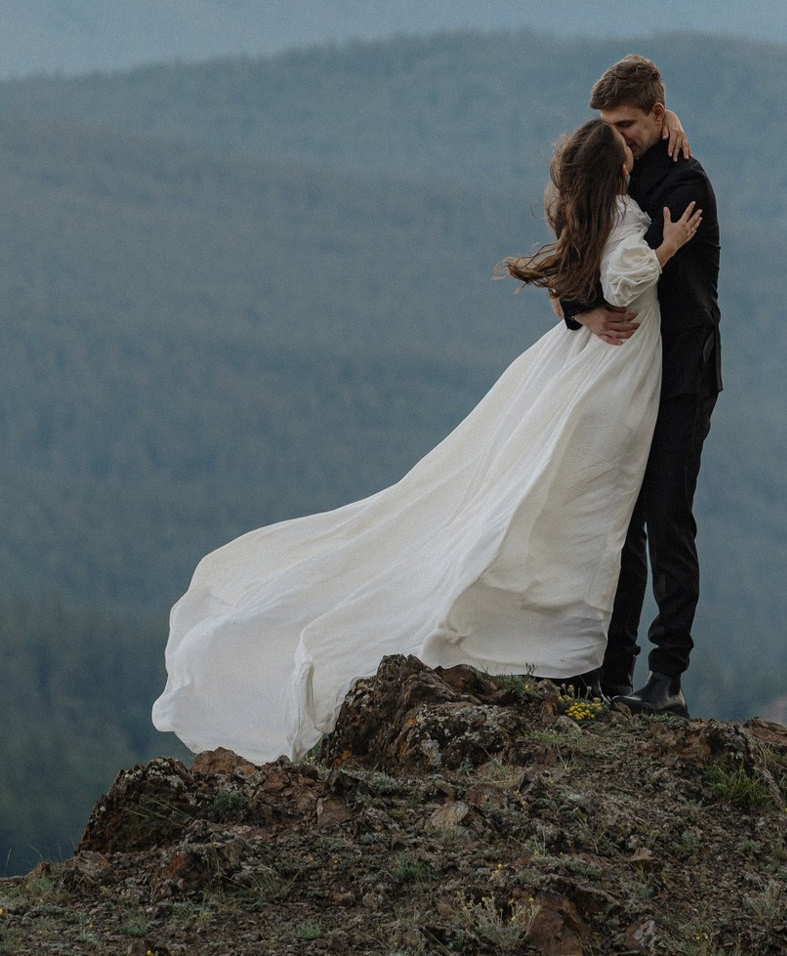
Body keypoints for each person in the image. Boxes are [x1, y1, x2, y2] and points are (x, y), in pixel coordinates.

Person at [152, 117, 703, 762]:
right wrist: (667, 248)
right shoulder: (617, 218)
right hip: (612, 379)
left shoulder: (591, 211)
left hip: (597, 371)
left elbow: (583, 276)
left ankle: (589, 660)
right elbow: (621, 281)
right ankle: (581, 659)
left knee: (581, 512)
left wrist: (667, 118)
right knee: (590, 514)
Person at [562, 55, 722, 717]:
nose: (614, 137)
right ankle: (611, 668)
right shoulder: (625, 166)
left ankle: (667, 677)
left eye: (626, 124)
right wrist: (578, 309)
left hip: (680, 375)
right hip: (633, 377)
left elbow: (626, 273)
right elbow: (581, 253)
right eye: (607, 125)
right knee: (621, 524)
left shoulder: (684, 183)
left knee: (666, 520)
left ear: (657, 116)